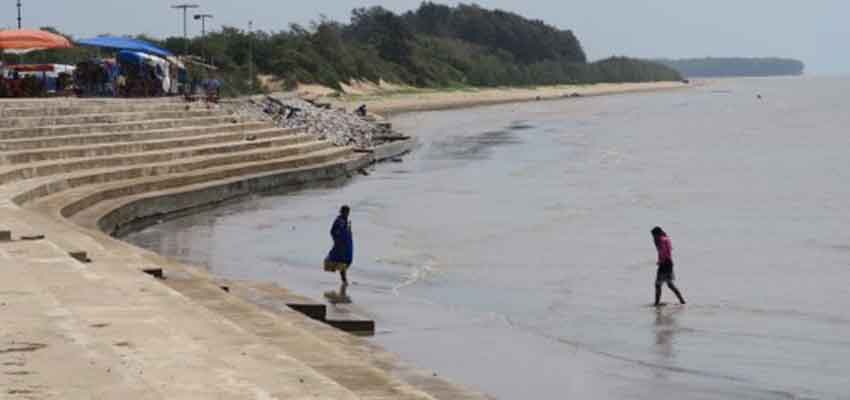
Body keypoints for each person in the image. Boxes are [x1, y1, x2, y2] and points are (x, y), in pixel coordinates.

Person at [652, 226, 686, 307]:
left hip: (664, 263)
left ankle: (656, 304)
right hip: (669, 263)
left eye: (654, 235)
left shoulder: (661, 240)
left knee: (658, 284)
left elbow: (663, 252)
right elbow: (667, 251)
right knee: (669, 284)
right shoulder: (666, 238)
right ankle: (682, 301)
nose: (653, 237)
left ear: (657, 234)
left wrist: (660, 261)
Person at [325, 206, 354, 285]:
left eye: (348, 212)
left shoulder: (344, 220)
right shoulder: (339, 220)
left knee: (344, 261)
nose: (347, 214)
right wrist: (338, 239)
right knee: (342, 260)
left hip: (344, 245)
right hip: (341, 244)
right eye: (346, 212)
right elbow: (333, 231)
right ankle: (344, 280)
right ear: (342, 212)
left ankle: (344, 280)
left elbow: (344, 231)